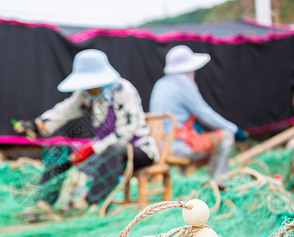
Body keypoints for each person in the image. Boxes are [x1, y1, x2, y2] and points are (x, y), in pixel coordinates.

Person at [14, 49, 159, 215]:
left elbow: (126, 130)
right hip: (102, 148)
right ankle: (44, 203)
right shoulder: (87, 93)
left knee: (115, 150)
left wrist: (92, 148)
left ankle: (91, 203)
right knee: (61, 149)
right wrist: (37, 124)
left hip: (137, 149)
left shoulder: (123, 90)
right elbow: (66, 109)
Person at [149, 45, 247, 179]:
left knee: (203, 134)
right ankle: (218, 180)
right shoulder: (183, 85)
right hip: (177, 146)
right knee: (226, 136)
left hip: (160, 144)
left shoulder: (160, 84)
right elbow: (206, 114)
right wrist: (234, 129)